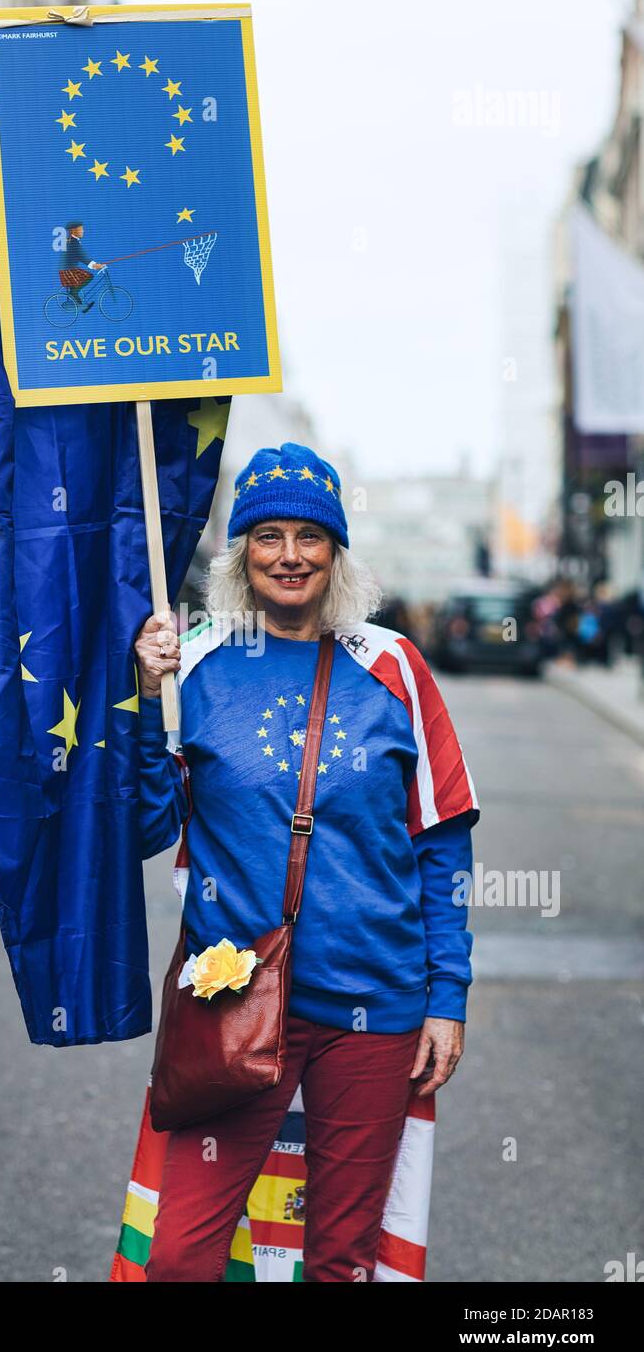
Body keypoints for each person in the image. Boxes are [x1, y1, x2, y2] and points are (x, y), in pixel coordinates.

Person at [131, 441, 480, 1283]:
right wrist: (147, 702)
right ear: (242, 550)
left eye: (310, 537)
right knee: (180, 1257)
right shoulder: (197, 659)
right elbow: (147, 821)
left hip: (375, 1007)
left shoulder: (395, 666)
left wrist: (448, 997)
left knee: (340, 1260)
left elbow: (442, 844)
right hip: (236, 999)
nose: (290, 555)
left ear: (335, 552)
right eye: (268, 535)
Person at [58, 219, 107, 312]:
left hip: (69, 268)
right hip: (68, 270)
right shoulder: (73, 242)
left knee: (76, 284)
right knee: (88, 277)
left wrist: (95, 264)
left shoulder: (72, 241)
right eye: (80, 229)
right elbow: (82, 257)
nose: (83, 231)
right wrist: (95, 265)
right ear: (73, 231)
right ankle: (73, 293)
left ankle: (80, 303)